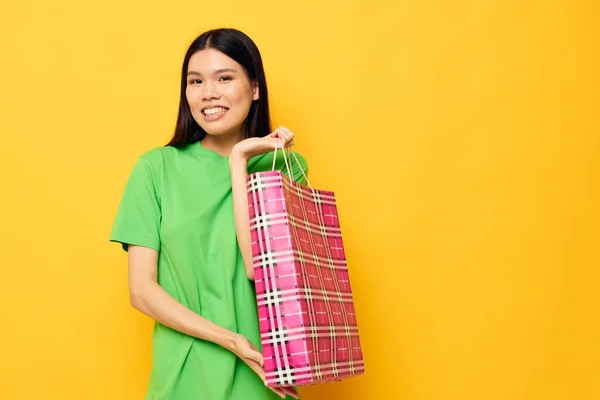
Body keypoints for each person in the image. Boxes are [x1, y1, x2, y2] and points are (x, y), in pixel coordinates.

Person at [109, 28, 308, 400]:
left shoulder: (285, 168)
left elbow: (258, 268)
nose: (208, 93)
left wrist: (239, 161)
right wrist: (230, 340)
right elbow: (142, 290)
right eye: (195, 81)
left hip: (263, 377)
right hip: (184, 377)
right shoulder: (155, 168)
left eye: (225, 78)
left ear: (255, 87)